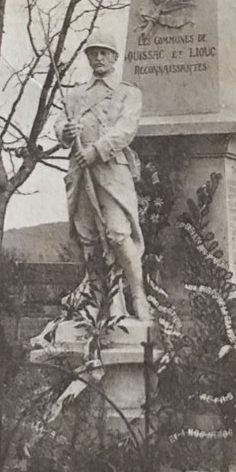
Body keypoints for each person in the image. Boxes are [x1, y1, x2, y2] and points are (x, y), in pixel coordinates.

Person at [56, 31, 149, 321]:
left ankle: (138, 295)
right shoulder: (75, 95)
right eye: (92, 53)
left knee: (119, 234)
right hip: (80, 172)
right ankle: (98, 298)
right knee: (88, 237)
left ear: (114, 57)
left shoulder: (128, 92)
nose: (98, 58)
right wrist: (65, 132)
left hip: (112, 170)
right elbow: (60, 123)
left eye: (104, 53)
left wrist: (96, 151)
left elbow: (126, 129)